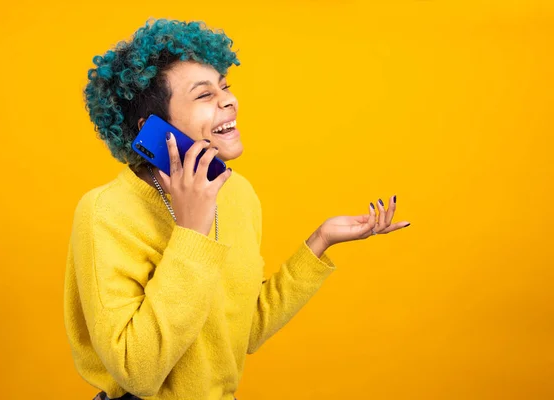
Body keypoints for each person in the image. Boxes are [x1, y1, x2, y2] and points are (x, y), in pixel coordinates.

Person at [63, 18, 411, 400]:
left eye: (224, 87)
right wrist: (192, 231)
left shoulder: (236, 194)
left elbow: (241, 329)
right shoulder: (106, 212)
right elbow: (138, 372)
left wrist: (320, 241)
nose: (229, 100)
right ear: (154, 127)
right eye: (203, 95)